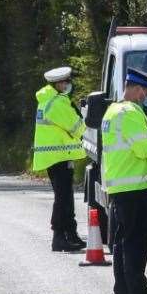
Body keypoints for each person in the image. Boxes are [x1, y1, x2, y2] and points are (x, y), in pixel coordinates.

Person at [101, 67, 147, 294]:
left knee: (123, 241)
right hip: (132, 186)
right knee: (135, 243)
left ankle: (123, 292)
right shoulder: (130, 113)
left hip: (122, 184)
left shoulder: (113, 111)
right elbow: (144, 149)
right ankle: (138, 293)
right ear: (139, 89)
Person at [32, 66, 87, 251]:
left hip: (55, 156)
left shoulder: (47, 100)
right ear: (58, 84)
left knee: (65, 196)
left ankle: (70, 233)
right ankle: (58, 236)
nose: (68, 85)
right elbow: (77, 127)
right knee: (63, 197)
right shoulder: (57, 103)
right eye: (66, 82)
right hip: (59, 156)